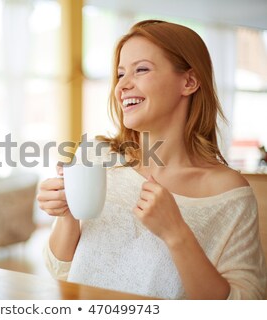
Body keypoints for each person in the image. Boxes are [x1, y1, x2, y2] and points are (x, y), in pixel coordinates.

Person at [37, 19, 267, 299]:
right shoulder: (96, 156)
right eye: (120, 74)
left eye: (141, 69)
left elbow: (244, 306)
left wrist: (176, 233)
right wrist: (68, 215)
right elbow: (61, 271)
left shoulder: (229, 194)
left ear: (189, 81)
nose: (122, 85)